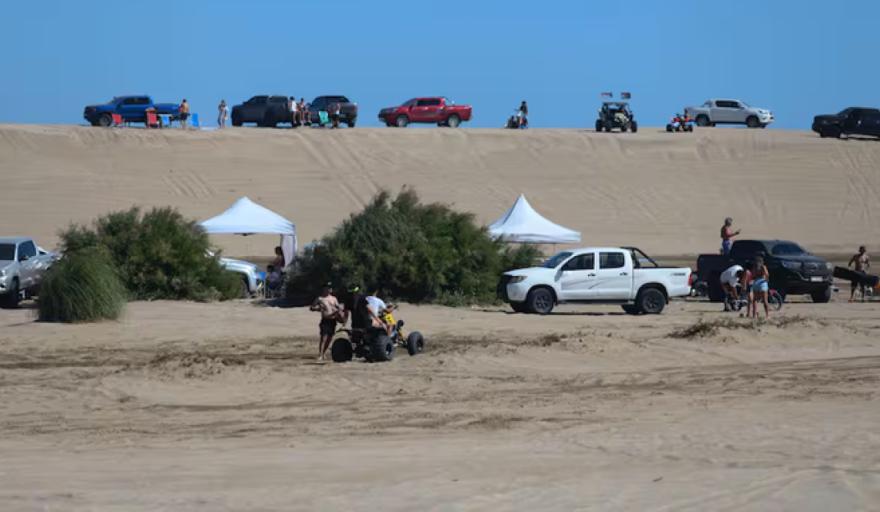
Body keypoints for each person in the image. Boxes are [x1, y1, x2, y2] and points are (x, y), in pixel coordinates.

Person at [310, 283, 341, 361]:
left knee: (330, 338)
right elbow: (312, 307)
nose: (329, 290)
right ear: (324, 289)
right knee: (323, 337)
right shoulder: (320, 298)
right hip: (325, 319)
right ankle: (320, 354)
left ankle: (324, 353)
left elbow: (338, 307)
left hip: (333, 319)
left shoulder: (334, 298)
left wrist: (339, 312)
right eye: (328, 288)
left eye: (330, 288)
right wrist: (318, 308)